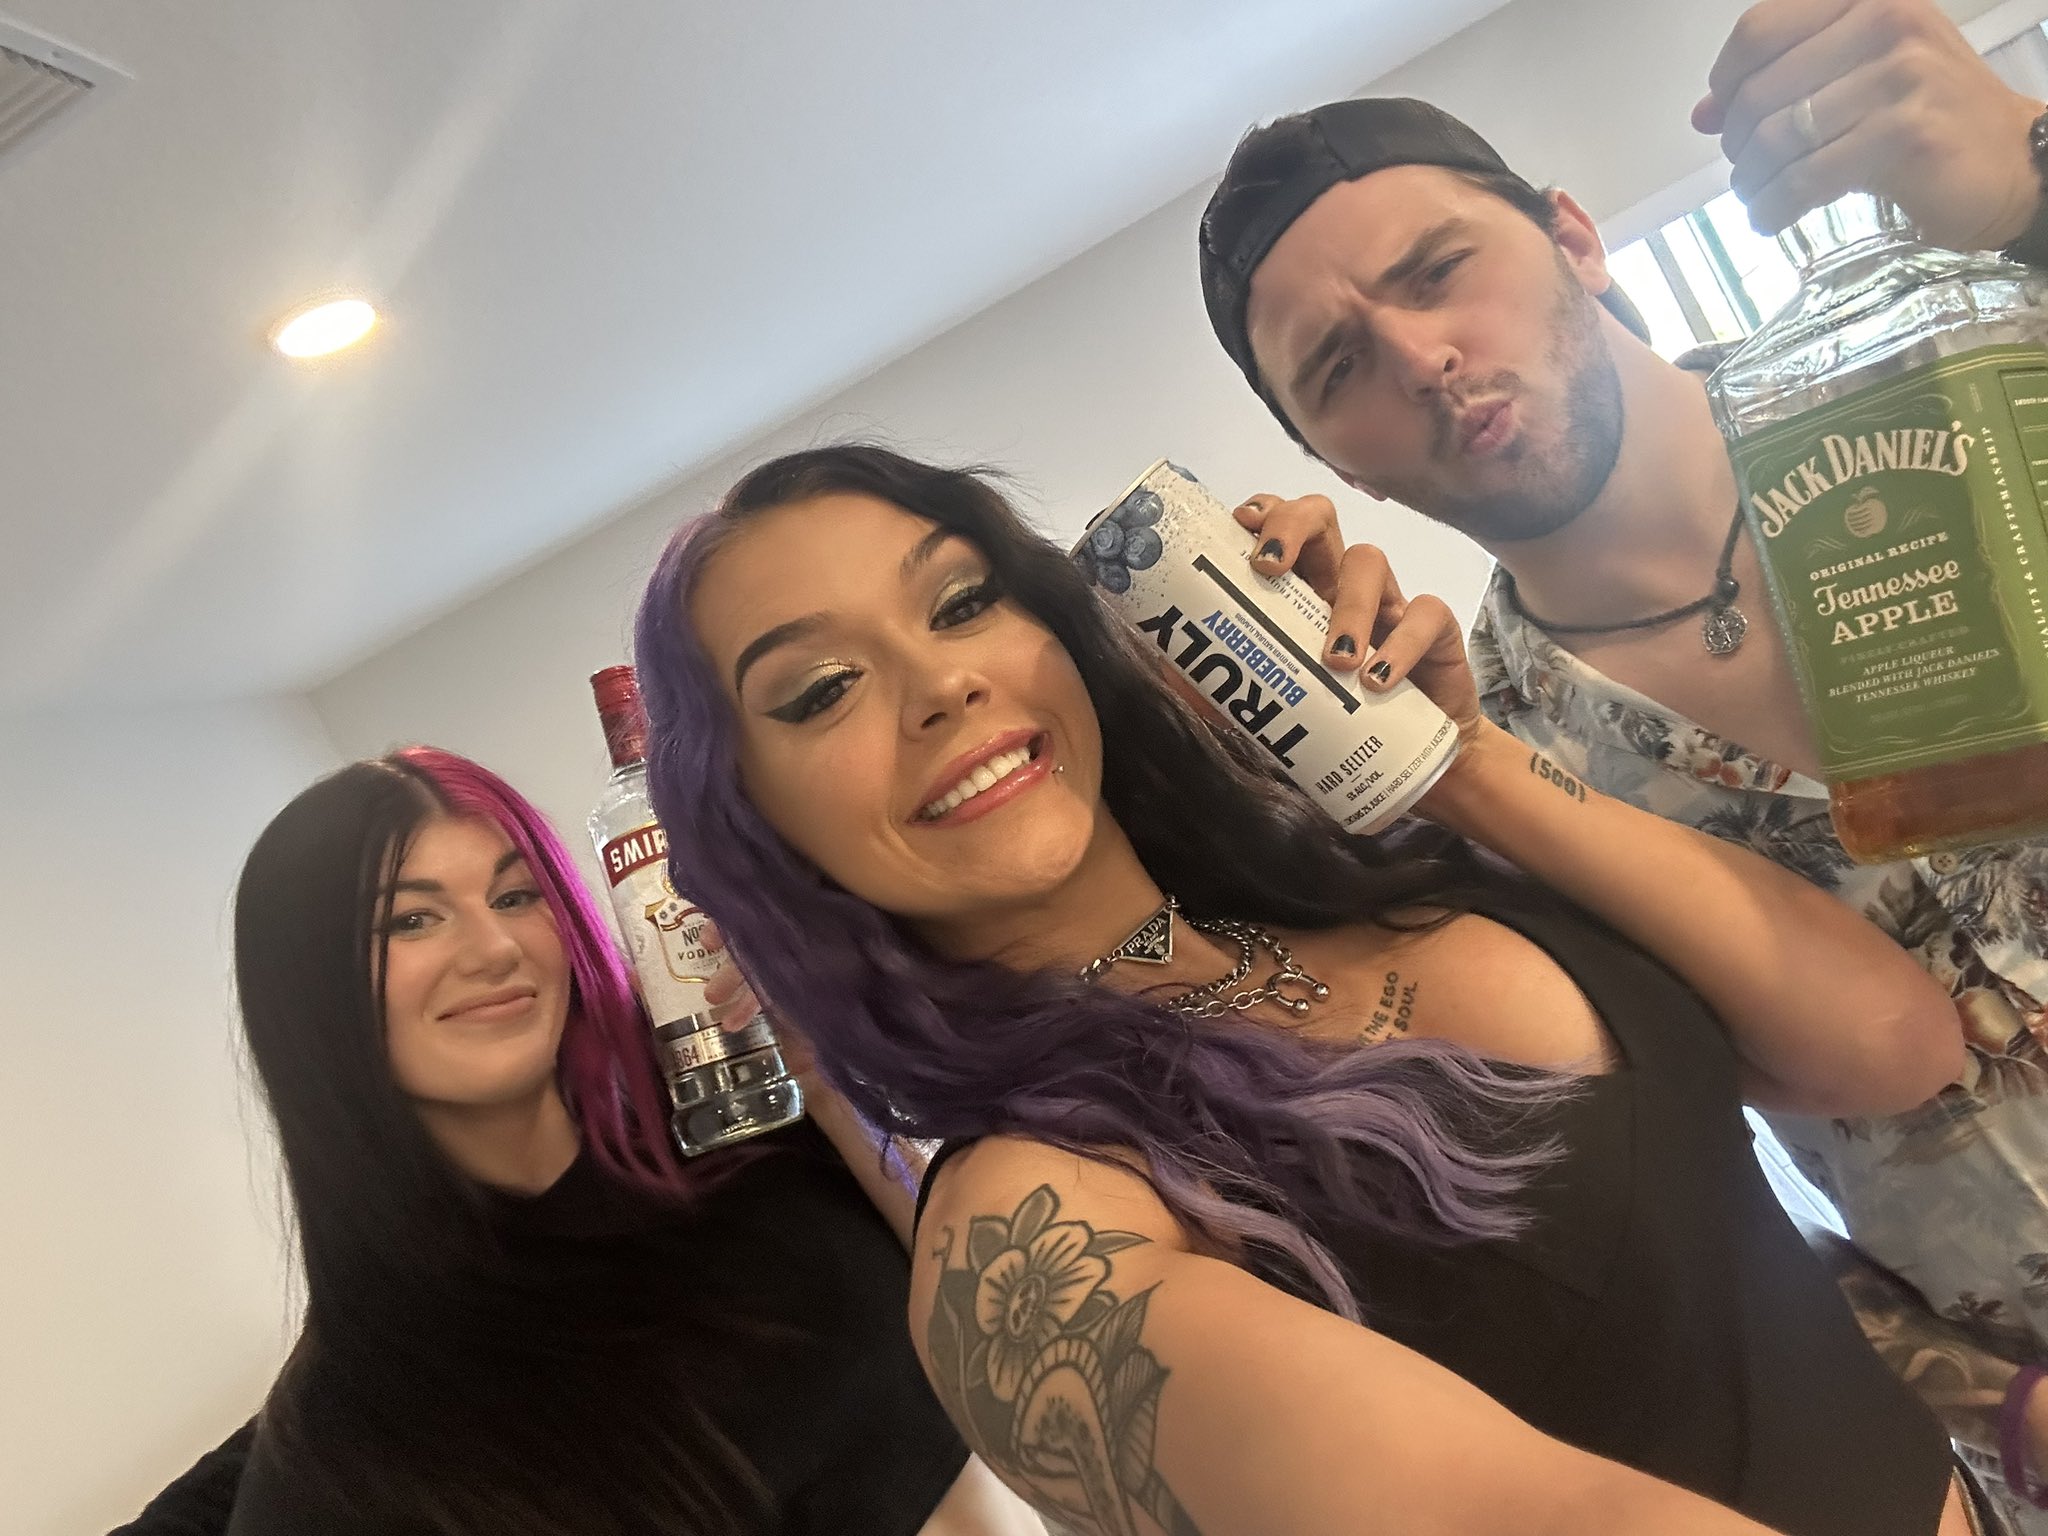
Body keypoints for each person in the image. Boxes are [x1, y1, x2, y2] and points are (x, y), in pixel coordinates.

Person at [627, 441, 1980, 1536]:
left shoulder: (1378, 880)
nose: (940, 684)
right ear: (755, 827)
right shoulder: (1028, 1231)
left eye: (962, 601)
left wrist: (1454, 763)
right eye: (819, 690)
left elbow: (1889, 1045)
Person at [1191, 0, 2048, 1522]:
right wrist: (1979, 1397)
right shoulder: (1480, 801)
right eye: (1336, 365)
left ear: (1574, 238)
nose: (1421, 356)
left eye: (1437, 270)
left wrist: (2034, 187)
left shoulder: (1952, 382)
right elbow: (1696, 1188)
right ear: (1329, 460)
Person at [216, 744, 1036, 1535]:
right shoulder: (349, 1439)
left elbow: (1000, 1315)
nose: (495, 949)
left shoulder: (744, 1121)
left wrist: (828, 1083)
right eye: (413, 919)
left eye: (515, 896)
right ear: (308, 994)